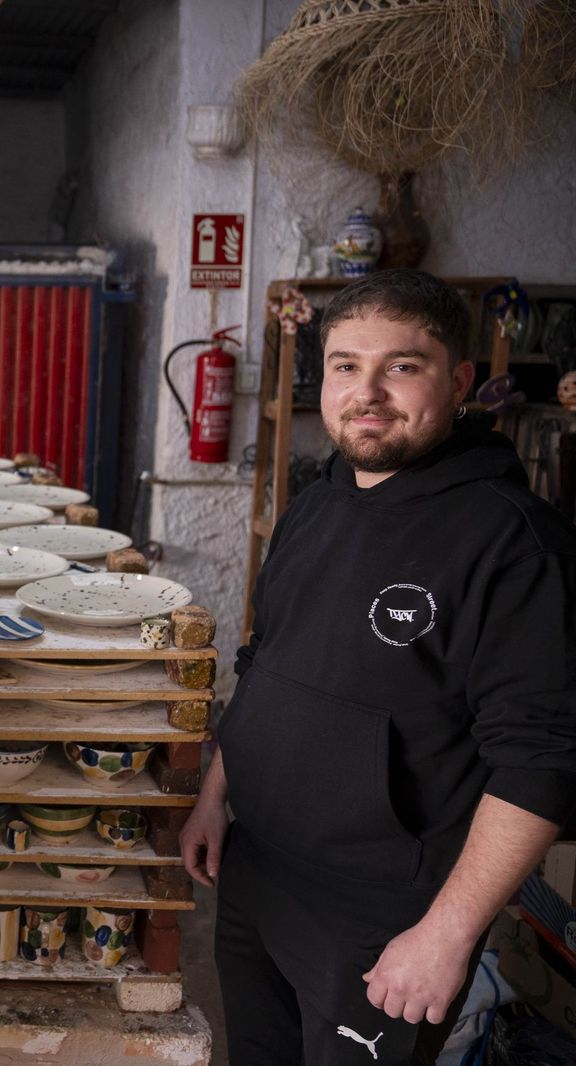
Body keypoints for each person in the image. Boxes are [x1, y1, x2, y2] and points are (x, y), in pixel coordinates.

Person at [180, 268, 576, 1065]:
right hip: (259, 875)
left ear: (458, 380)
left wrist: (448, 933)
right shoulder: (318, 501)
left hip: (385, 915)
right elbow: (267, 663)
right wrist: (216, 796)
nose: (368, 392)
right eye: (345, 365)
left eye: (402, 365)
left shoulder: (510, 543)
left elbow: (540, 762)